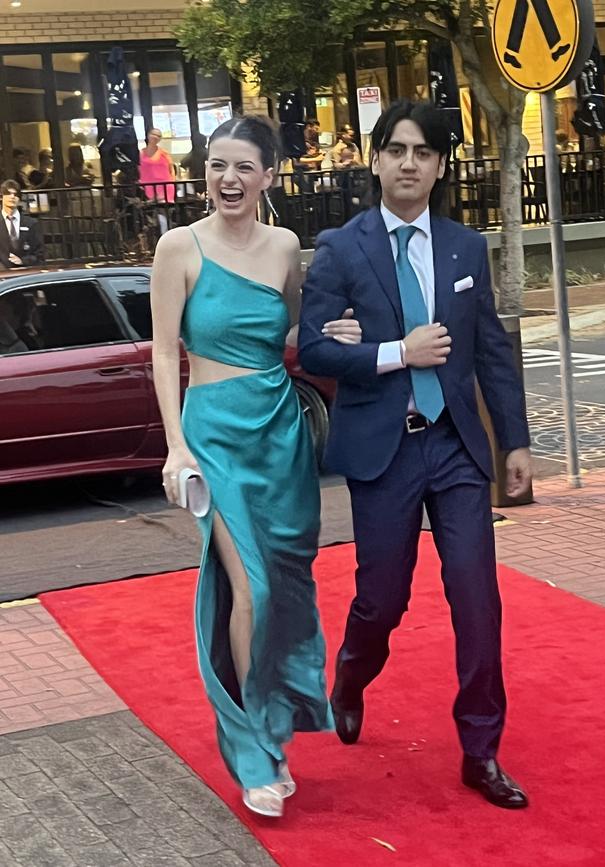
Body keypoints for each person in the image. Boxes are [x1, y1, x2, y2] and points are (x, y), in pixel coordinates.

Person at [299, 100, 533, 810]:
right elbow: (312, 348)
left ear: (438, 166)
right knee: (384, 598)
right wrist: (396, 352)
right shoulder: (341, 246)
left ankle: (481, 748)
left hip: (456, 446)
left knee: (477, 598)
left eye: (423, 152)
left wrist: (515, 440)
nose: (409, 163)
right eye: (396, 149)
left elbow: (491, 348)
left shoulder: (464, 247)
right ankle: (351, 673)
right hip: (383, 447)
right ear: (375, 160)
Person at [150, 115, 361, 818]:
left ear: (269, 175)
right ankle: (256, 752)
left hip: (281, 434)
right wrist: (176, 445)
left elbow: (295, 331)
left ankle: (278, 723)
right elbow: (162, 353)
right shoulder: (178, 246)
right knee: (254, 591)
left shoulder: (284, 247)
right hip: (215, 435)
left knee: (291, 590)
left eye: (243, 166)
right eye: (216, 165)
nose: (227, 179)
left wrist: (338, 332)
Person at [0, 179, 45, 269]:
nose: (12, 197)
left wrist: (23, 261)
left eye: (16, 194)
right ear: (1, 197)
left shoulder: (31, 223)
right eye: (8, 193)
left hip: (26, 275)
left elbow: (40, 254)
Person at [140, 127, 176, 204]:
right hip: (147, 189)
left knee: (165, 211)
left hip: (165, 188)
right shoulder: (140, 154)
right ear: (148, 135)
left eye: (158, 136)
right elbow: (138, 170)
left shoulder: (165, 154)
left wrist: (172, 183)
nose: (155, 137)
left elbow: (171, 170)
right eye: (153, 134)